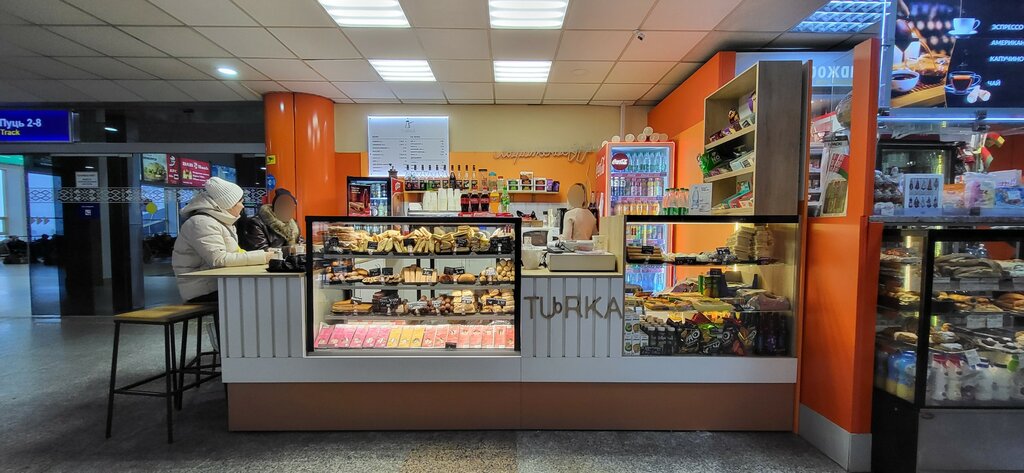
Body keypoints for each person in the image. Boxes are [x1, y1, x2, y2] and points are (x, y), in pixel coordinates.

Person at [172, 177, 271, 303]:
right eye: (240, 202)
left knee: (263, 293)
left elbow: (232, 254)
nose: (242, 206)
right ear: (229, 204)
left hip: (219, 285)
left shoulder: (220, 222)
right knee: (261, 295)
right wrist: (264, 257)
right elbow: (219, 259)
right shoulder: (202, 223)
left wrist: (264, 255)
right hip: (203, 290)